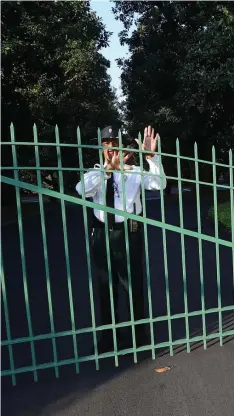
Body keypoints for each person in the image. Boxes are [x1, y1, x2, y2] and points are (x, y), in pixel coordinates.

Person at [76, 125, 166, 354]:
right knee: (106, 287)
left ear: (122, 147)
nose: (110, 149)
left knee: (133, 285)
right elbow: (81, 190)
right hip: (102, 234)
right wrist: (107, 171)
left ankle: (139, 335)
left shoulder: (134, 171)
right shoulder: (95, 173)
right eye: (106, 145)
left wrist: (152, 158)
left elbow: (159, 184)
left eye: (114, 144)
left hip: (129, 233)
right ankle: (109, 337)